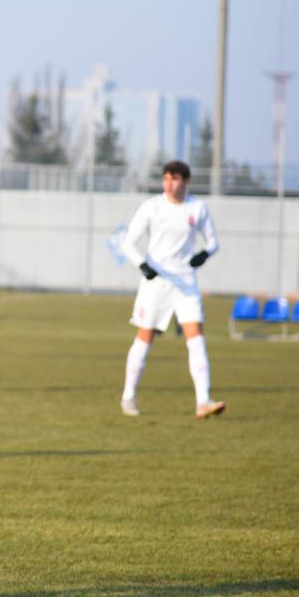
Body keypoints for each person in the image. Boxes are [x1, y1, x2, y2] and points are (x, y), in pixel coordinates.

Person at [119, 160, 224, 419]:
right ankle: (128, 396)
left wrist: (204, 255)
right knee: (145, 337)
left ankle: (203, 401)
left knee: (196, 338)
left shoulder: (197, 208)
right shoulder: (152, 207)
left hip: (186, 283)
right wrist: (142, 265)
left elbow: (213, 242)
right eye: (166, 178)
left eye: (175, 179)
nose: (169, 184)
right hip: (157, 283)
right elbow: (128, 243)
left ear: (186, 181)